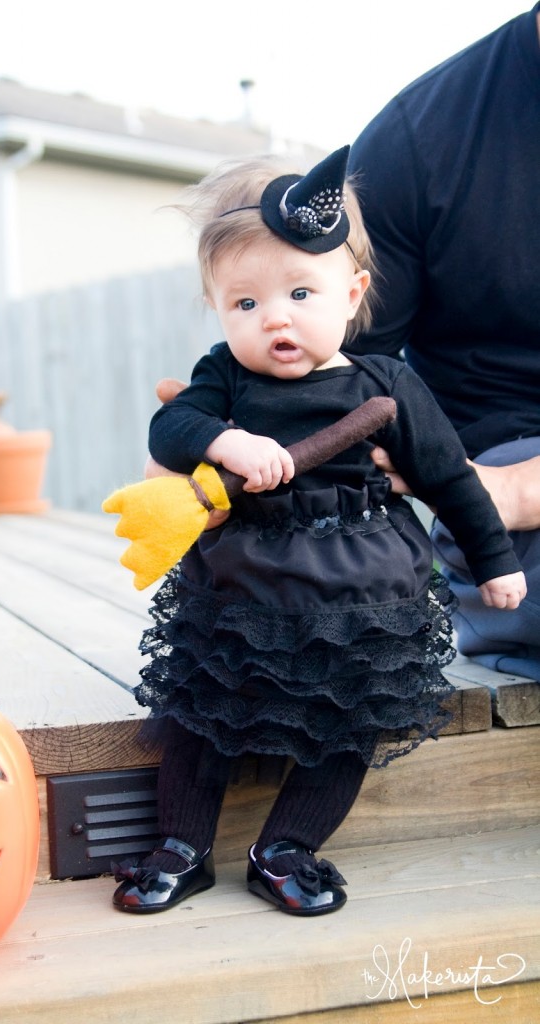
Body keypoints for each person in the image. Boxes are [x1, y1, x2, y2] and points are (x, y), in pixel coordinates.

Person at [110, 147, 525, 917]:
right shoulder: (225, 377)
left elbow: (452, 481)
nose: (276, 318)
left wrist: (494, 560)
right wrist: (225, 442)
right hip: (245, 578)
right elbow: (173, 426)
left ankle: (287, 846)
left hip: (360, 588)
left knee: (349, 721)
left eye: (301, 292)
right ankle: (183, 844)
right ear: (217, 307)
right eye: (245, 304)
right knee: (203, 711)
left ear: (353, 292)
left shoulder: (386, 384)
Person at [347, 3, 540, 679]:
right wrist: (218, 431)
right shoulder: (418, 141)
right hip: (507, 478)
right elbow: (342, 379)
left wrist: (524, 492)